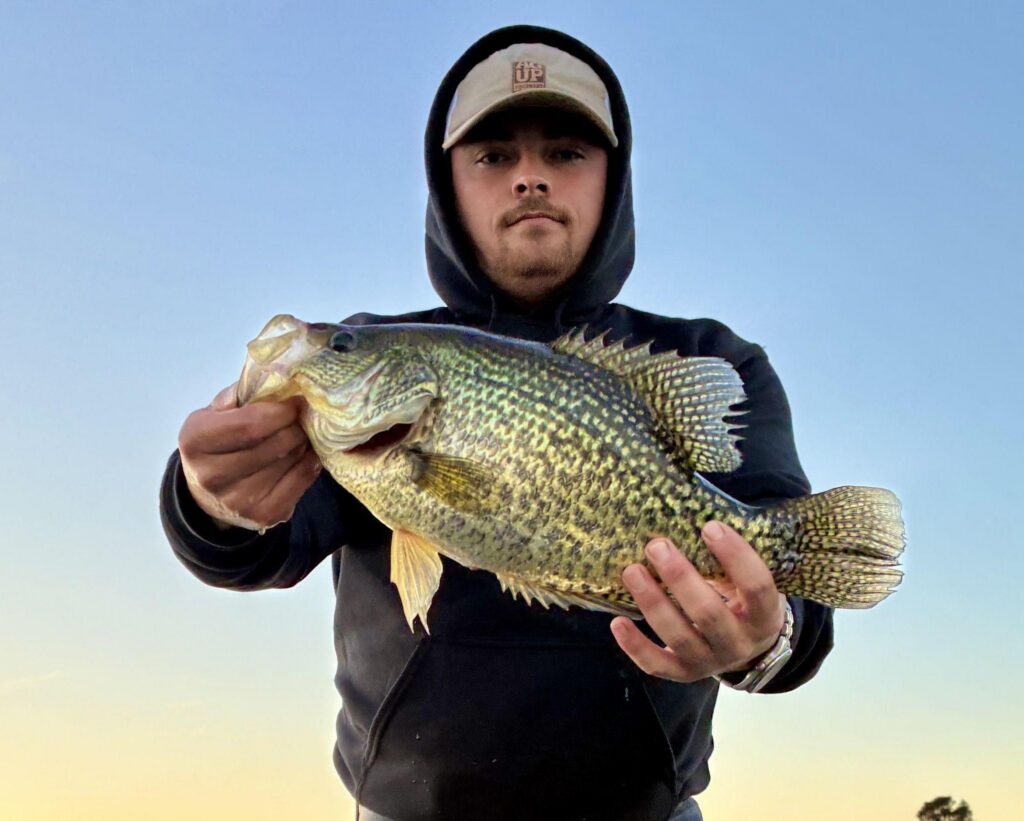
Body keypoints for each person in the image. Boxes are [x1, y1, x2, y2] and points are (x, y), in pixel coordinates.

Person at [160, 25, 833, 821]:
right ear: (447, 185)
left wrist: (766, 638)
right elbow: (254, 551)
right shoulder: (375, 351)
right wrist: (212, 499)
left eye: (565, 152)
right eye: (494, 156)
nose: (529, 179)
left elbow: (796, 623)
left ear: (613, 180)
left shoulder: (708, 356)